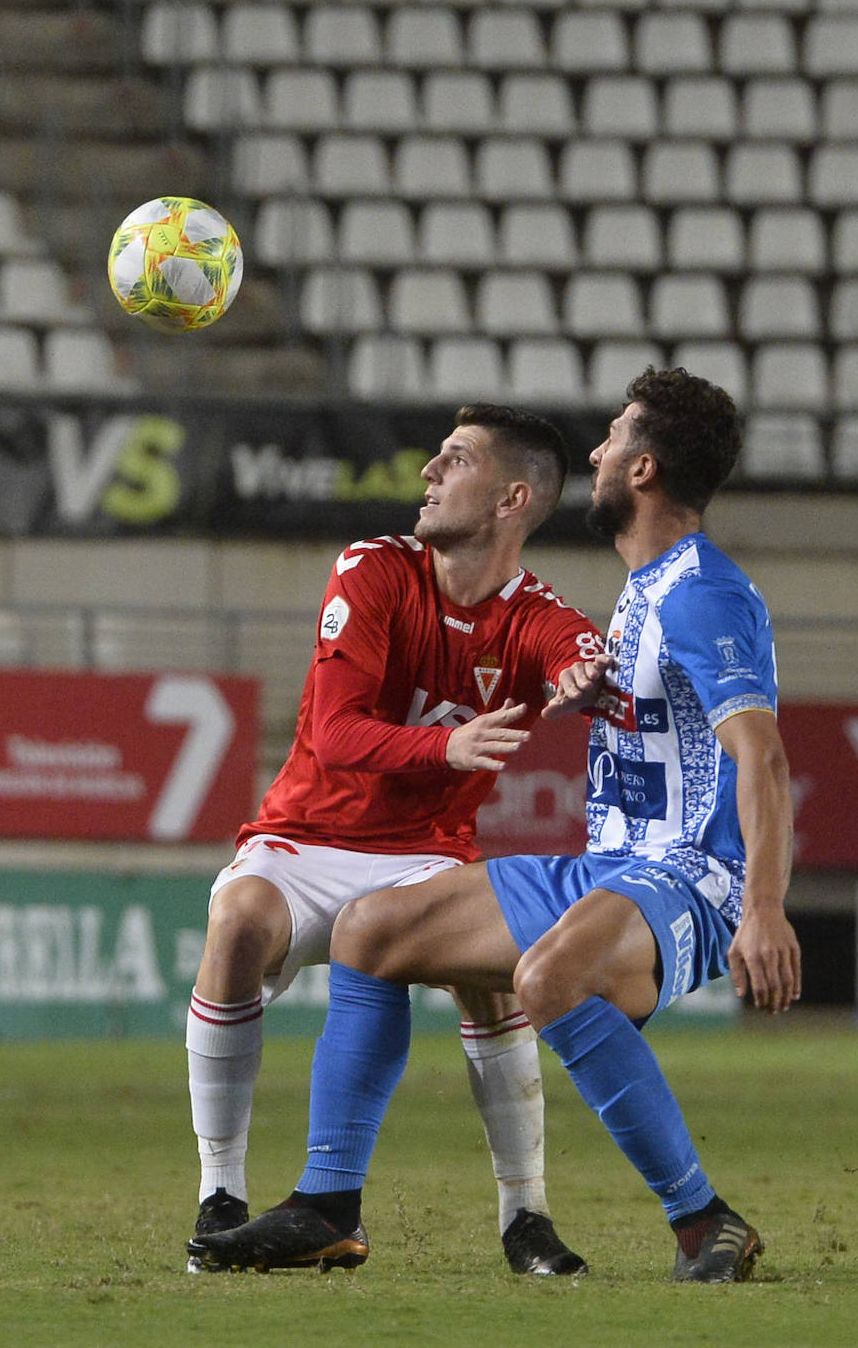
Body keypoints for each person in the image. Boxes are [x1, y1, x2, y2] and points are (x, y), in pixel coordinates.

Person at [189, 367, 803, 1285]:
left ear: (642, 469)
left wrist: (763, 907)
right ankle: (327, 1206)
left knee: (545, 978)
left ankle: (702, 1219)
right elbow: (577, 662)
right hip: (611, 864)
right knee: (370, 931)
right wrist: (578, 681)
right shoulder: (644, 590)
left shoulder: (701, 594)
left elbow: (764, 756)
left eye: (613, 437)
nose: (596, 451)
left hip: (691, 876)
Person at [185, 402, 607, 1276]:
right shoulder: (373, 569)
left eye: (455, 459)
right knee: (234, 927)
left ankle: (526, 1217)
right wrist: (446, 747)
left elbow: (574, 650)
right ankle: (220, 1192)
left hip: (425, 853)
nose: (428, 472)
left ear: (512, 499)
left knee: (488, 979)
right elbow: (336, 733)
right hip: (307, 836)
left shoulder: (536, 615)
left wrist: (582, 674)